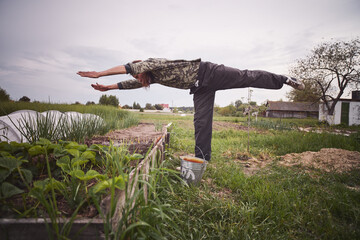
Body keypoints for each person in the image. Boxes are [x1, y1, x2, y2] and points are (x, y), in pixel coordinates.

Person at [78, 58, 304, 161]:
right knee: (201, 122)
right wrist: (107, 88)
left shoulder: (152, 64)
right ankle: (202, 159)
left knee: (246, 77)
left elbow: (129, 68)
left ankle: (283, 79)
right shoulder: (149, 78)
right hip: (200, 88)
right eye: (137, 76)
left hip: (209, 72)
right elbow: (129, 82)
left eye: (137, 73)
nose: (137, 77)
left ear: (141, 67)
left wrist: (99, 73)